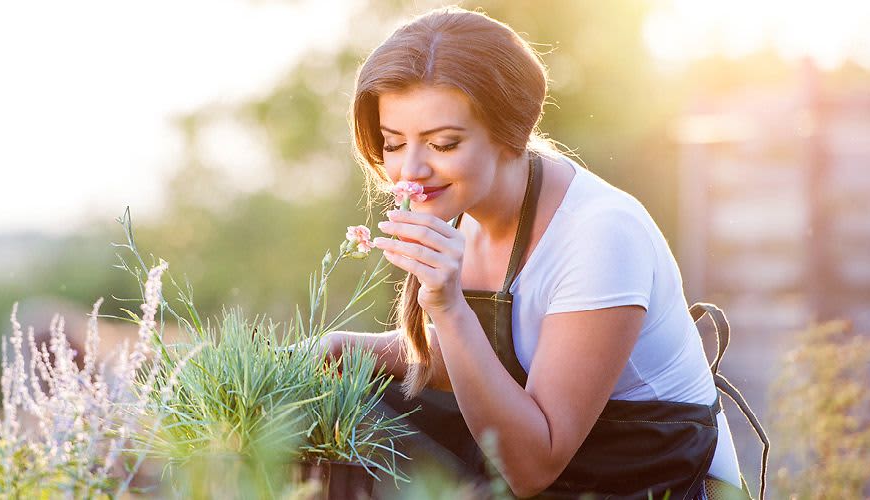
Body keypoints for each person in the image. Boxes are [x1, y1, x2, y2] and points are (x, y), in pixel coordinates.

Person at [317, 6, 763, 499]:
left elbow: (532, 468)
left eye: (443, 144)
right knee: (333, 416)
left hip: (652, 481)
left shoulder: (600, 234)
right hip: (558, 470)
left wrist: (447, 305)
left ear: (509, 132)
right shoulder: (463, 204)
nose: (411, 170)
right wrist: (341, 347)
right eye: (394, 143)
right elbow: (486, 358)